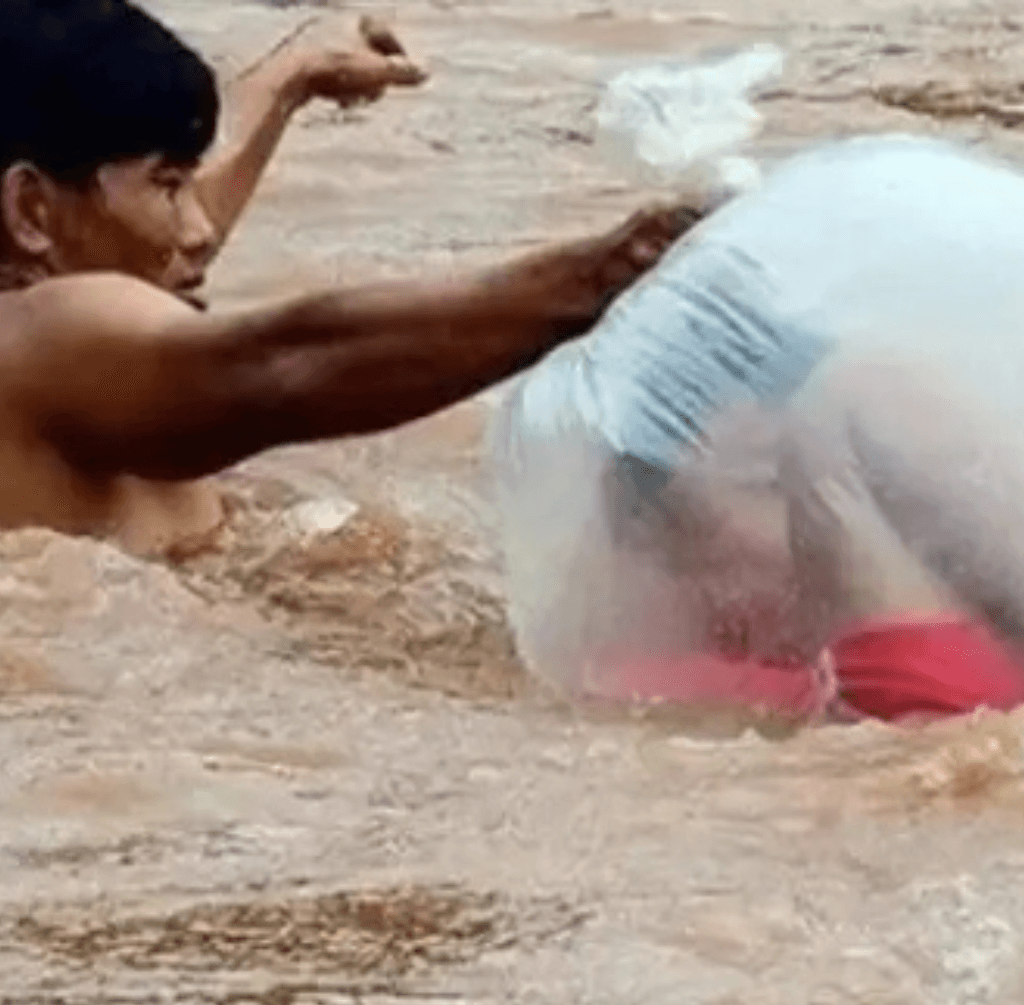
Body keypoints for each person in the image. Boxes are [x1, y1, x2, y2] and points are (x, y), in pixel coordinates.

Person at [0, 0, 695, 555]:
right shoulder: (41, 342)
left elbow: (160, 231)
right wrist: (613, 268)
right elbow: (286, 362)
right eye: (168, 185)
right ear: (31, 209)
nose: (200, 230)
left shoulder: (80, 289)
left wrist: (295, 74)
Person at [496, 135, 1024, 724]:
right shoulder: (677, 683)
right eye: (771, 480)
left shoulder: (941, 586)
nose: (808, 520)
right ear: (667, 549)